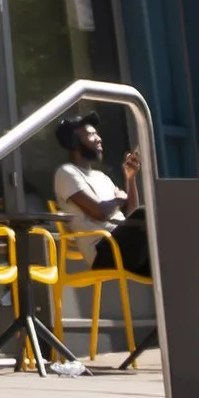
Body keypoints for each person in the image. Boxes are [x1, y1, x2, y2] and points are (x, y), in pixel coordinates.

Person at [52, 114, 151, 277]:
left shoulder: (101, 177)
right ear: (75, 142)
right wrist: (119, 199)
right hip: (103, 250)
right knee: (145, 215)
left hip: (123, 246)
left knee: (168, 260)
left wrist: (130, 179)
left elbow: (131, 215)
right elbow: (99, 212)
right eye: (91, 134)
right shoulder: (66, 173)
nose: (99, 139)